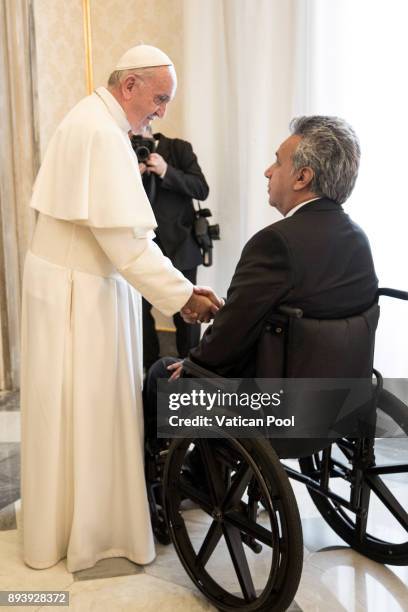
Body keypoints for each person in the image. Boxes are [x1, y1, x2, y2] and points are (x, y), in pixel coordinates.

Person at [20, 44, 221, 572]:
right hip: (78, 294)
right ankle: (94, 531)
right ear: (128, 85)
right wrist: (184, 297)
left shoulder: (93, 120)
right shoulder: (102, 135)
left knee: (69, 412)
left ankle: (58, 527)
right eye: (158, 98)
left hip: (77, 283)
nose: (161, 111)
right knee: (86, 409)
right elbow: (128, 245)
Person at [146, 116, 378, 392]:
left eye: (278, 162)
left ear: (303, 177)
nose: (268, 171)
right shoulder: (358, 239)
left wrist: (193, 363)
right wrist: (228, 309)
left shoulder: (276, 242)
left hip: (270, 408)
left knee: (162, 371)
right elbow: (302, 313)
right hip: (339, 404)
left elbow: (224, 346)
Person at [134, 126, 209, 369]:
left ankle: (191, 370)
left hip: (181, 246)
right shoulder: (122, 153)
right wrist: (133, 174)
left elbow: (201, 189)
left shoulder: (179, 148)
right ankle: (149, 368)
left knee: (189, 313)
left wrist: (167, 171)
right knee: (139, 314)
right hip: (139, 249)